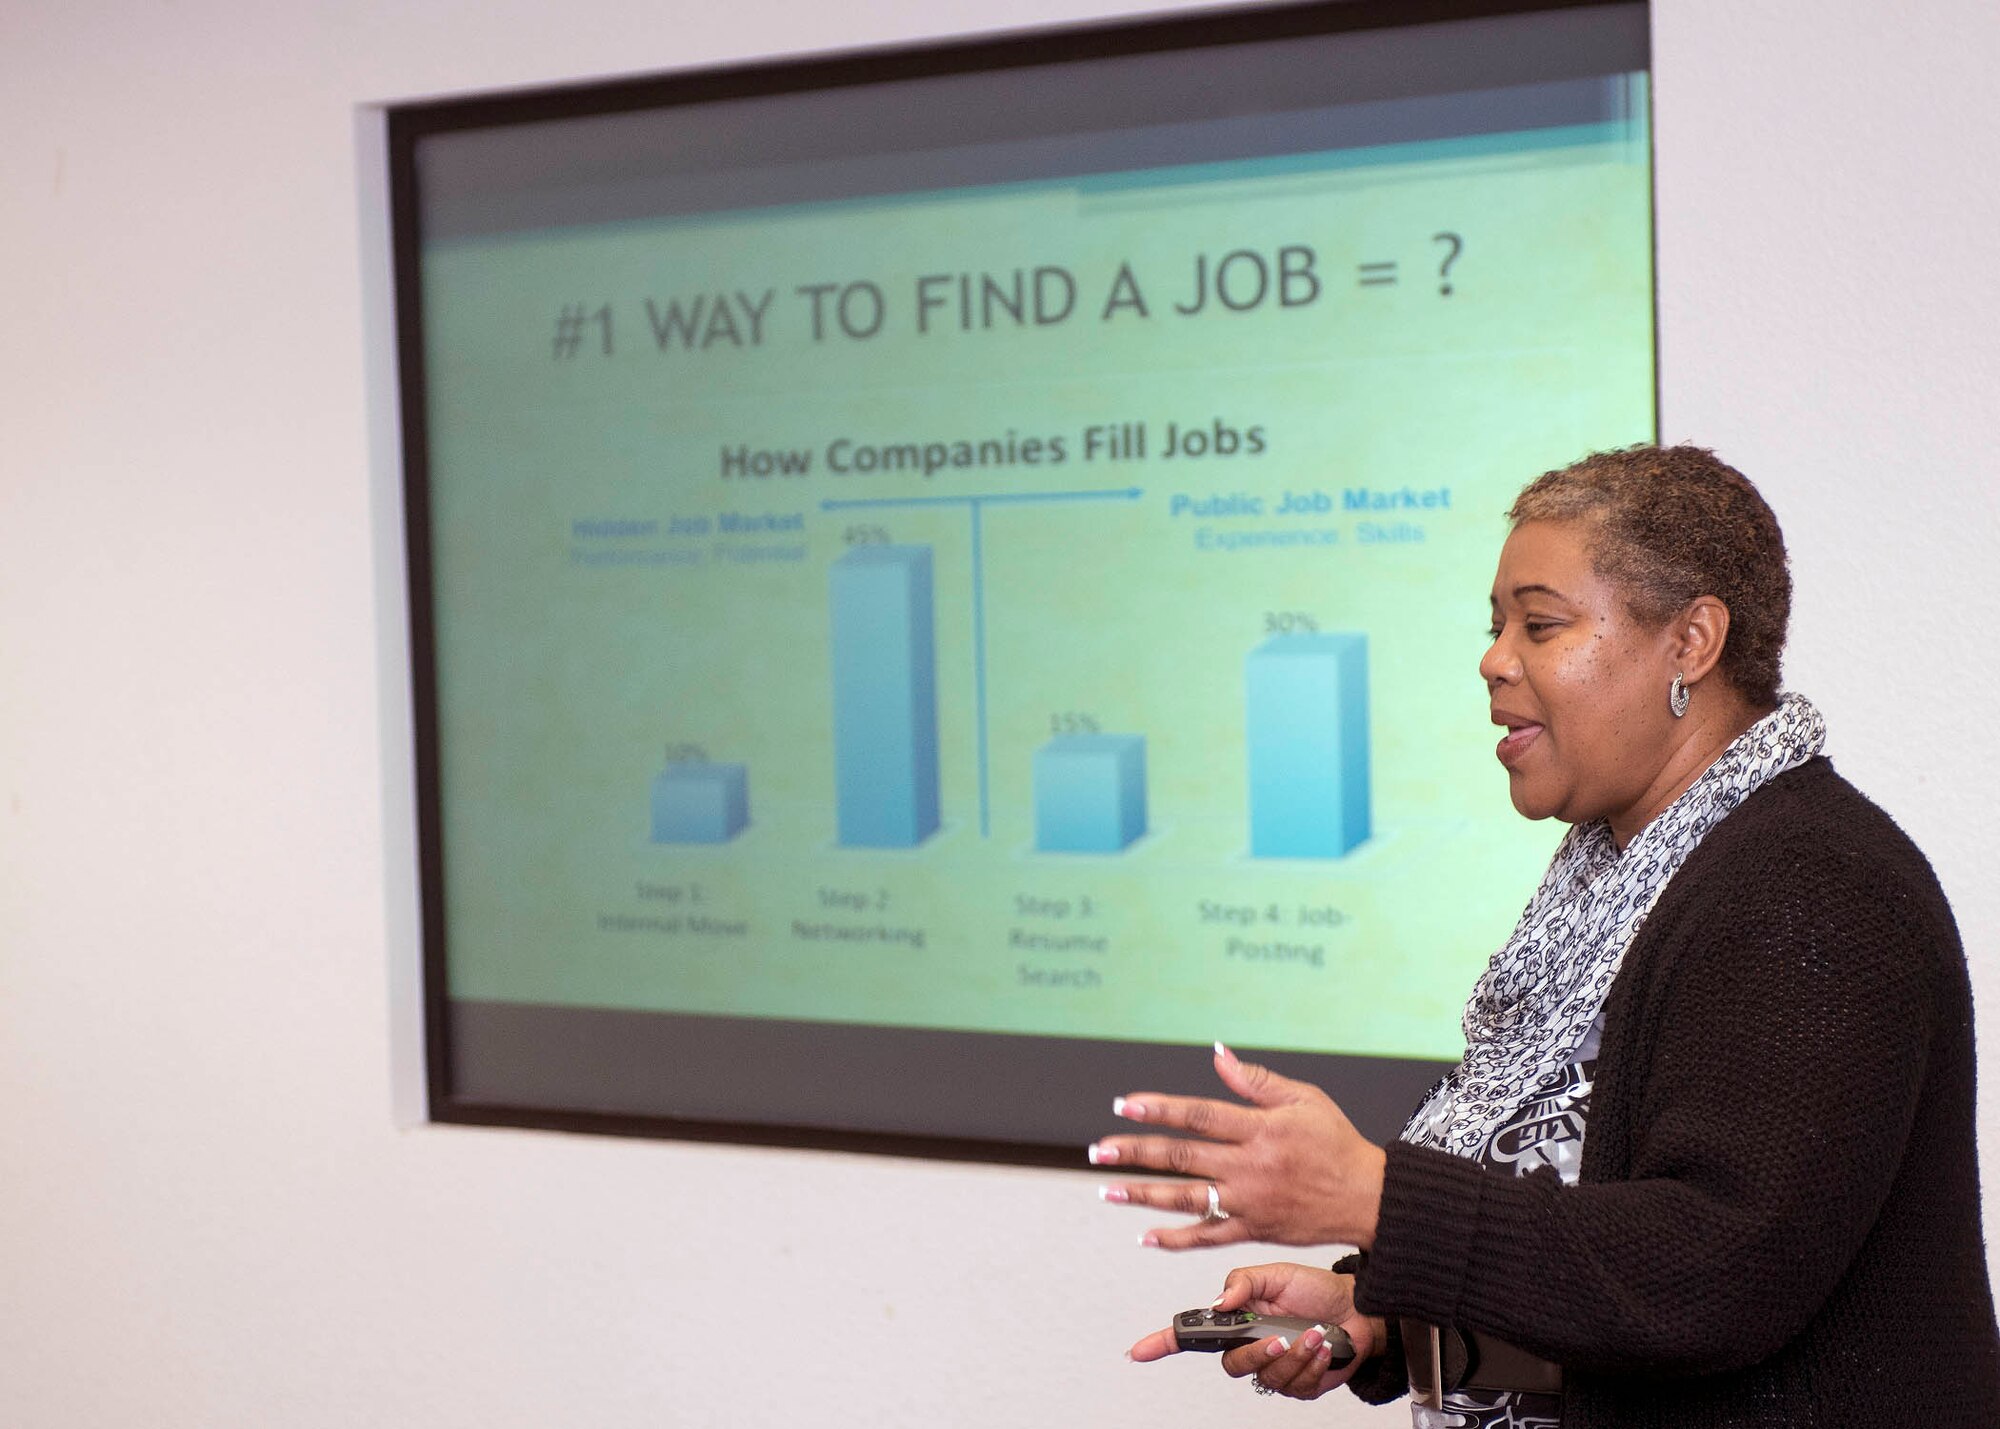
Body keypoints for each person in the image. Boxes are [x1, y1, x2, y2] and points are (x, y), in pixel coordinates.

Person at [1102, 446, 2000, 1425]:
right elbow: (1591, 1267)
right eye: (1494, 627)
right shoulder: (1606, 886)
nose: (1493, 658)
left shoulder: (1807, 888)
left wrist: (1377, 1193)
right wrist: (1379, 1315)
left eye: (1539, 623)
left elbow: (1709, 1277)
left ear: (1690, 641)